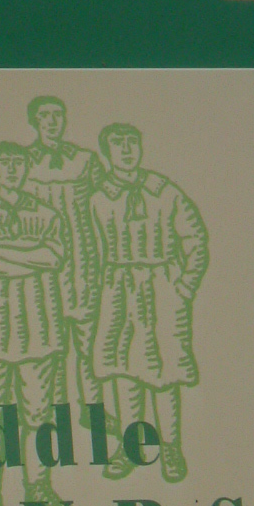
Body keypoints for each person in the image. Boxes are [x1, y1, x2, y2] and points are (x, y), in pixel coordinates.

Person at [90, 122, 209, 483]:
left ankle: (170, 449)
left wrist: (184, 287)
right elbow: (92, 249)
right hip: (117, 290)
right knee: (124, 371)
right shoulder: (99, 197)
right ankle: (132, 448)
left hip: (160, 289)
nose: (126, 150)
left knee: (164, 374)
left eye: (131, 142)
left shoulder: (165, 192)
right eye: (117, 144)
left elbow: (195, 239)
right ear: (106, 151)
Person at [0, 141, 69, 506]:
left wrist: (2, 252)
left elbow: (54, 257)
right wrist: (29, 257)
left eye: (17, 162)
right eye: (4, 163)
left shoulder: (45, 212)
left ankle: (39, 489)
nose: (11, 169)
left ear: (26, 167)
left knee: (39, 416)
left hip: (38, 328)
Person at [24, 95, 105, 425]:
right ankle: (55, 414)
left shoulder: (86, 160)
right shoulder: (23, 162)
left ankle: (93, 412)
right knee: (51, 346)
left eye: (58, 115)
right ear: (35, 121)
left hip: (83, 262)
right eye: (45, 116)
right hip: (44, 269)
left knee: (89, 344)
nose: (52, 121)